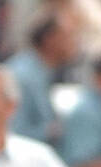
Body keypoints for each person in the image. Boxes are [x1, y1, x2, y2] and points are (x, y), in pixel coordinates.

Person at [7, 6, 80, 148]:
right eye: (70, 35)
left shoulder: (40, 73)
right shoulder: (23, 77)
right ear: (50, 39)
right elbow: (14, 134)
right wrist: (53, 132)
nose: (75, 42)